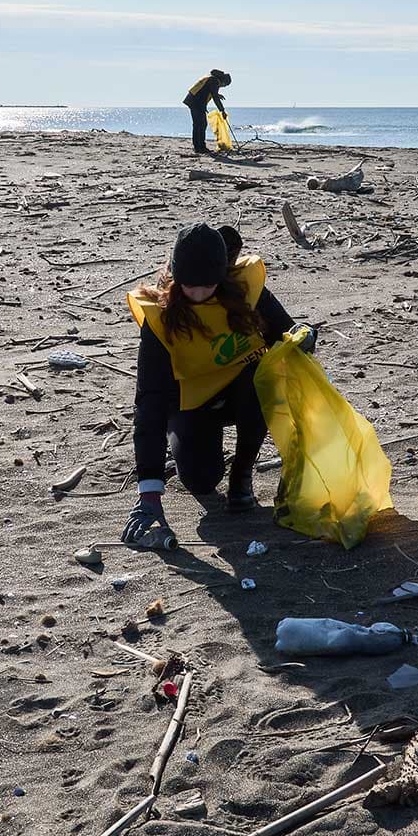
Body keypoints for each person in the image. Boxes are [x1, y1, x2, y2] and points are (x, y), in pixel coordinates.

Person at [121, 223, 313, 550]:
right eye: (188, 286)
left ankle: (242, 473)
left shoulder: (245, 291)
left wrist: (304, 334)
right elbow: (149, 401)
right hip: (192, 403)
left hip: (242, 393)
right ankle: (182, 443)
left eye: (206, 286)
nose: (197, 294)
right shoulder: (161, 317)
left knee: (263, 374)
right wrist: (149, 493)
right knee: (201, 481)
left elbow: (286, 331)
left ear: (220, 277)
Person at [183, 69, 231, 155]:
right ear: (223, 81)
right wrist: (222, 110)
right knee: (200, 124)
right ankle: (200, 147)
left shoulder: (211, 78)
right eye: (224, 85)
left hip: (193, 101)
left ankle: (198, 147)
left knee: (198, 124)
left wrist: (216, 94)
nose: (222, 87)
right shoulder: (214, 81)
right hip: (196, 102)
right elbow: (215, 98)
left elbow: (208, 91)